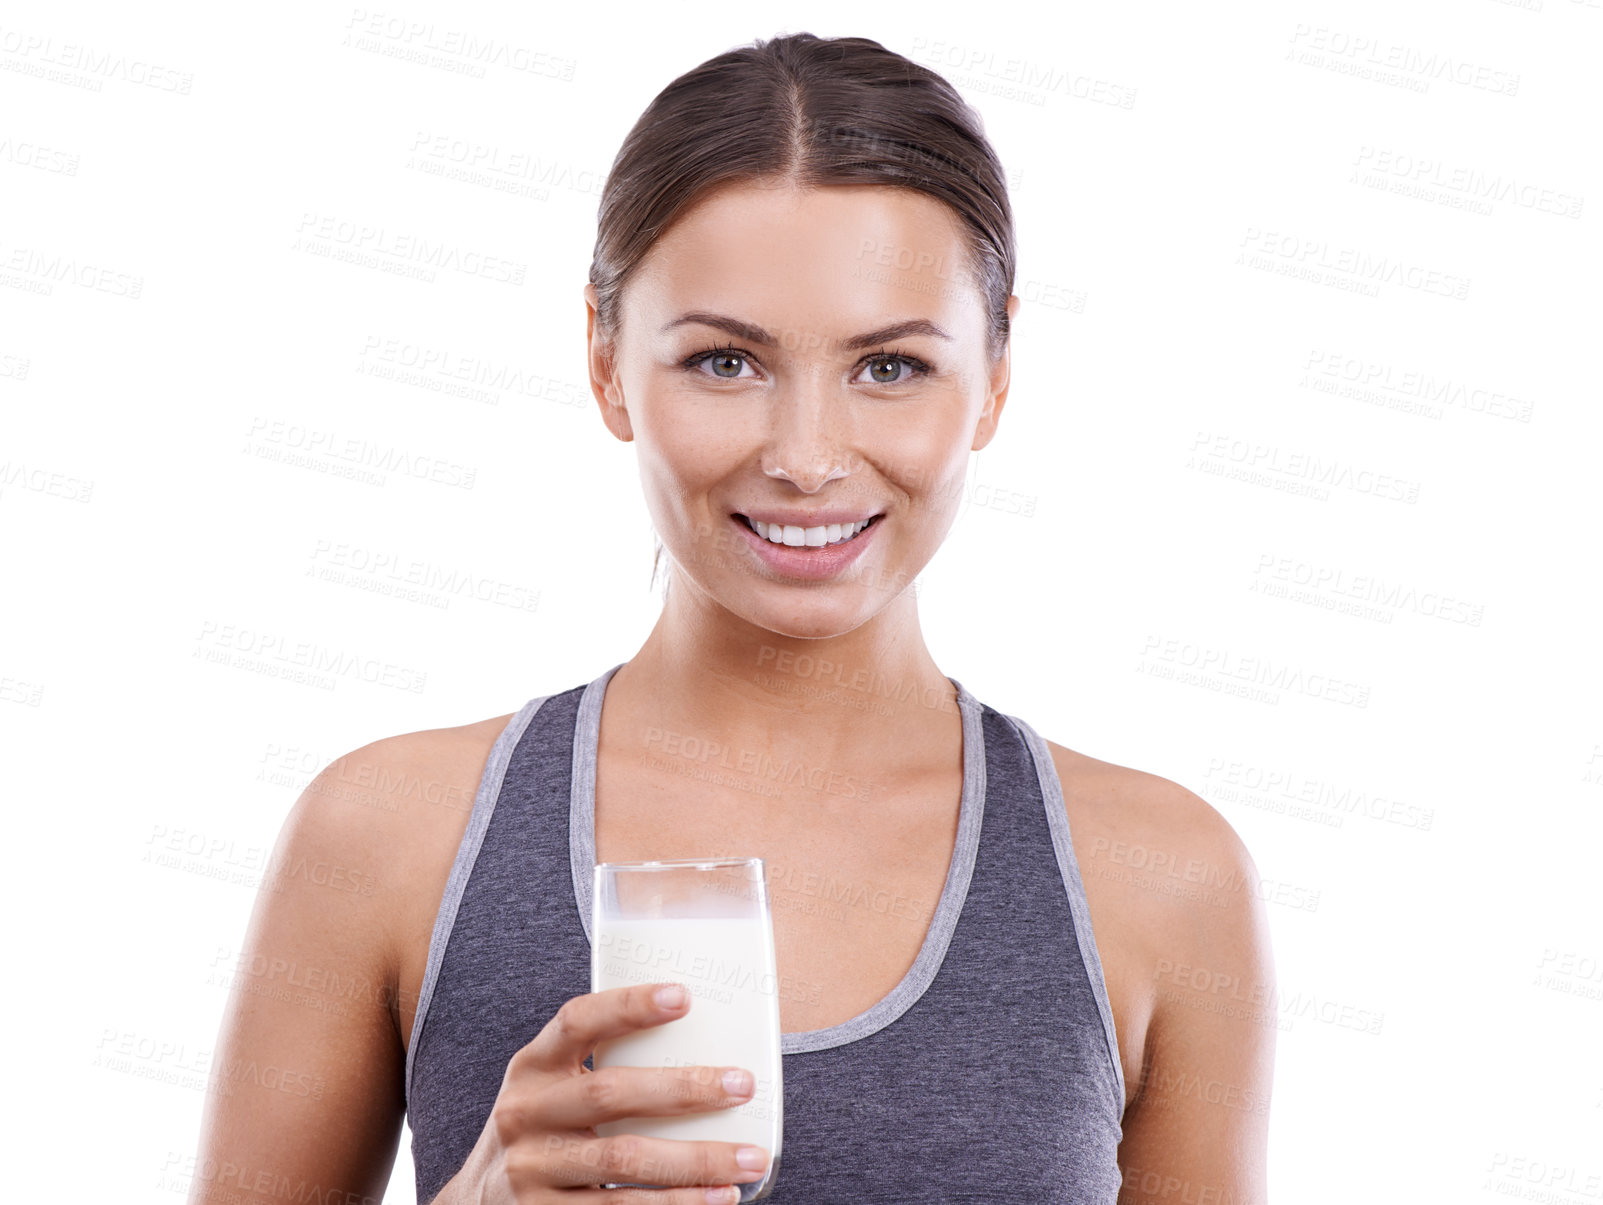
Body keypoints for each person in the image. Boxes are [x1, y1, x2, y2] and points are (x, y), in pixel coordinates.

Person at [190, 31, 1275, 1205]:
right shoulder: (388, 836)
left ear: (997, 375)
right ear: (606, 364)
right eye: (723, 362)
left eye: (892, 368)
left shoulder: (1163, 879)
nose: (807, 458)